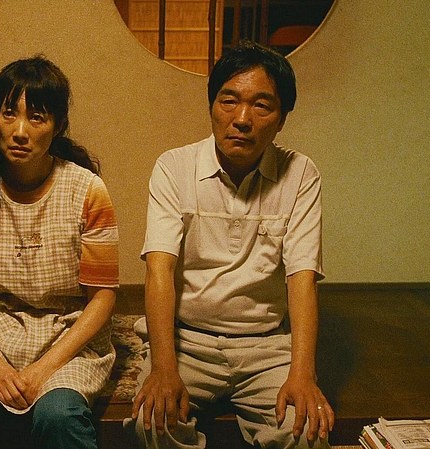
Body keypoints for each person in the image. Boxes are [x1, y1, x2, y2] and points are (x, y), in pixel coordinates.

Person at [129, 41, 335, 449]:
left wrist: (303, 373)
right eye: (229, 101)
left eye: (261, 106)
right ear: (212, 106)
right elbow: (158, 268)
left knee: (307, 435)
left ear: (282, 119)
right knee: (153, 422)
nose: (242, 119)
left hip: (267, 345)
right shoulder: (174, 167)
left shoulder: (300, 173)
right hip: (187, 340)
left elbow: (302, 277)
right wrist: (164, 368)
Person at [0, 56, 119, 449]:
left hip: (67, 332)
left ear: (58, 126)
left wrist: (43, 370)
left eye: (36, 117)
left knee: (60, 416)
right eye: (9, 114)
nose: (20, 131)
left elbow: (102, 297)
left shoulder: (87, 190)